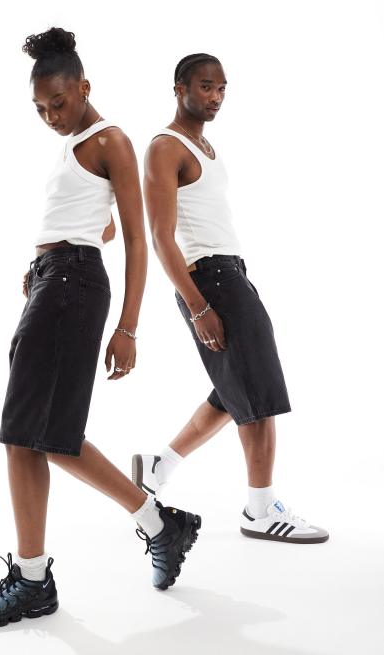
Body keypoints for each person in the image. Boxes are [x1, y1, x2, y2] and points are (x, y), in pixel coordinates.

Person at [0, 29, 201, 629]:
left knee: (24, 434)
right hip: (57, 281)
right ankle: (159, 524)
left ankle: (32, 580)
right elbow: (101, 223)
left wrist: (129, 327)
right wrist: (44, 260)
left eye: (59, 103)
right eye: (40, 108)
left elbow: (138, 238)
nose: (50, 116)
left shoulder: (110, 139)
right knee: (50, 435)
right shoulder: (75, 146)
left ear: (84, 87)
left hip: (71, 286)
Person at [133, 53, 328, 545]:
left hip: (231, 273)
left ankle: (158, 467)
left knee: (235, 391)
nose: (216, 97)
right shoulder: (165, 147)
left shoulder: (205, 146)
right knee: (258, 395)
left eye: (222, 89)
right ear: (179, 88)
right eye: (205, 87)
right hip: (211, 280)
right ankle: (260, 510)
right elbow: (161, 237)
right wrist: (198, 306)